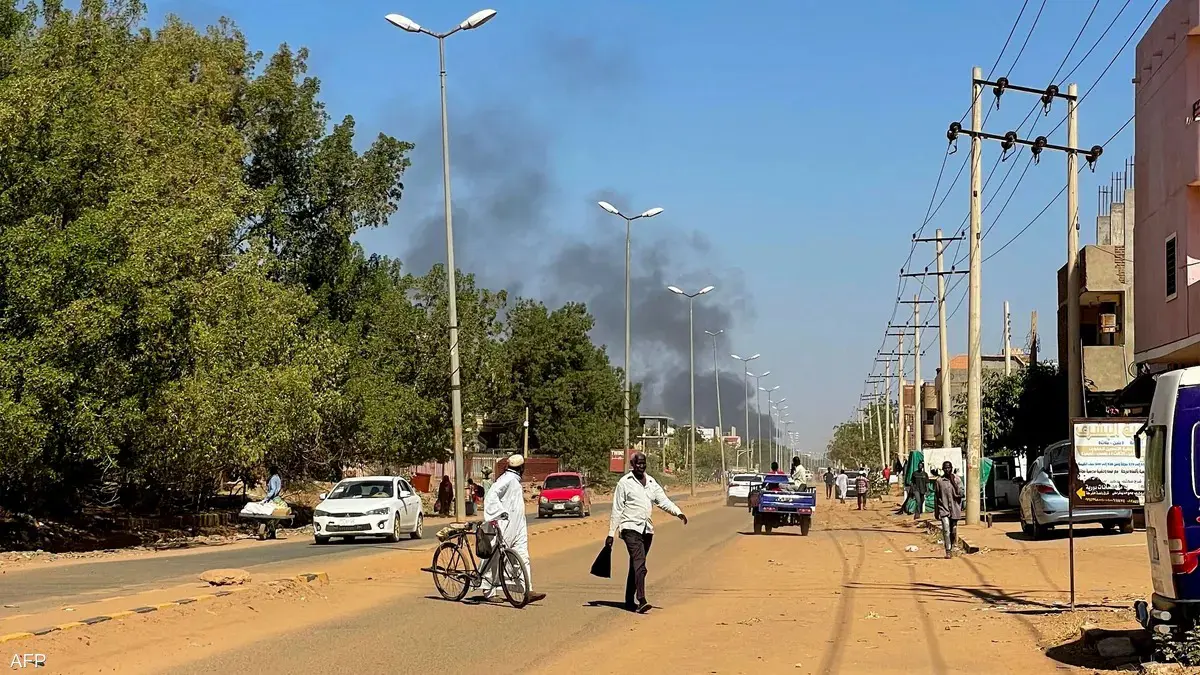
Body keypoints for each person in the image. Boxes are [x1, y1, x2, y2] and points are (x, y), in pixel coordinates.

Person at [607, 452, 688, 613]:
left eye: (643, 463)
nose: (641, 466)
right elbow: (617, 509)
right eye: (638, 464)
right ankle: (642, 599)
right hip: (630, 528)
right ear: (632, 464)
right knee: (640, 562)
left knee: (635, 565)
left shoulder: (651, 482)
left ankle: (629, 600)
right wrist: (611, 533)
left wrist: (678, 512)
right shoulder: (624, 483)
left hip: (646, 529)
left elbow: (663, 501)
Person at [481, 454, 545, 603]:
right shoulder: (507, 480)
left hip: (518, 526)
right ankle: (488, 591)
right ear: (521, 468)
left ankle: (527, 590)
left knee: (522, 557)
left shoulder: (514, 480)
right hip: (505, 525)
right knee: (496, 557)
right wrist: (499, 513)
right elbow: (491, 496)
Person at [934, 460, 964, 559]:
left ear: (952, 468)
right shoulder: (939, 481)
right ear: (943, 469)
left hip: (955, 509)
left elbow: (962, 494)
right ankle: (948, 551)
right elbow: (937, 496)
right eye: (945, 468)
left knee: (953, 531)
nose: (947, 469)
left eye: (949, 467)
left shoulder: (957, 479)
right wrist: (936, 511)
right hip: (944, 509)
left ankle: (952, 544)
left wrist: (953, 483)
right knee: (946, 530)